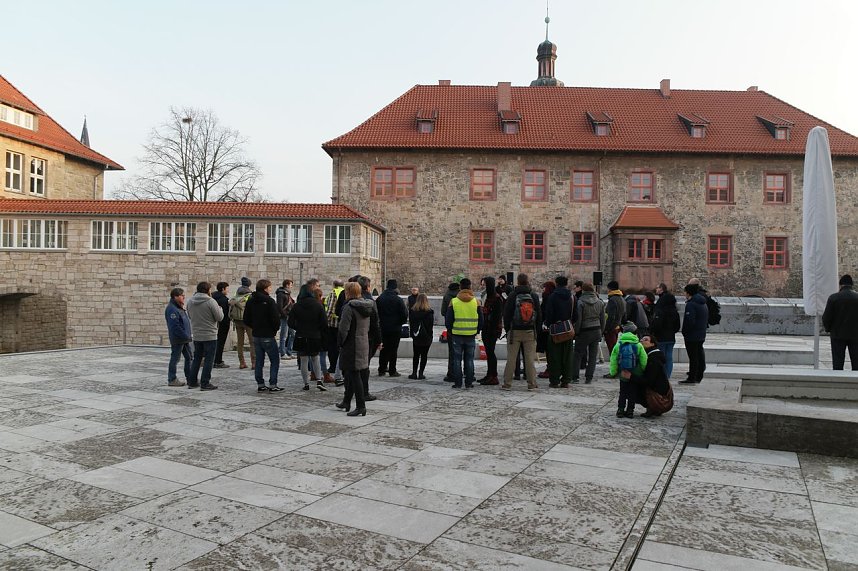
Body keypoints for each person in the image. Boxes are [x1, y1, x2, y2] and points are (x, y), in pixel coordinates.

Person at [336, 282, 381, 416]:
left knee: (354, 374)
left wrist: (340, 342)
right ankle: (346, 401)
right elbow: (375, 324)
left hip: (352, 344)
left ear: (348, 292)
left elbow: (344, 329)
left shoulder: (349, 307)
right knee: (352, 373)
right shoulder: (367, 305)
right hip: (363, 342)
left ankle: (361, 406)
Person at [501, 273, 540, 391]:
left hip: (515, 332)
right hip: (529, 331)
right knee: (529, 359)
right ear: (527, 281)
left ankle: (507, 384)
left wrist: (508, 329)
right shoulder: (533, 295)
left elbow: (506, 314)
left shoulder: (513, 295)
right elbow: (539, 314)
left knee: (511, 358)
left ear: (518, 282)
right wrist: (536, 330)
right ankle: (531, 384)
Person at [243, 279, 282, 392]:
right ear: (265, 288)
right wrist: (274, 330)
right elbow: (276, 319)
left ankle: (260, 383)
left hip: (256, 334)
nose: (271, 289)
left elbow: (246, 319)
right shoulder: (269, 301)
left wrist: (255, 326)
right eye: (270, 287)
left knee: (259, 360)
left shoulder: (250, 300)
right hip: (268, 335)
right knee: (274, 360)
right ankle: (273, 384)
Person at [288, 283, 328, 392]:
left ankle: (306, 383)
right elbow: (324, 322)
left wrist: (299, 327)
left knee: (304, 360)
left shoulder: (297, 306)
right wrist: (317, 329)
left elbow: (290, 322)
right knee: (316, 358)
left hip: (301, 335)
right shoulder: (318, 305)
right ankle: (319, 380)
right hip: (314, 335)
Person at [445, 278, 483, 389]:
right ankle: (469, 382)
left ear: (460, 288)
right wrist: (477, 330)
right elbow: (481, 319)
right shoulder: (476, 301)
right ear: (470, 287)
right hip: (470, 334)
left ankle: (457, 383)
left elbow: (448, 320)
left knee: (457, 359)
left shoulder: (454, 301)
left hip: (457, 334)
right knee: (469, 359)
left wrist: (451, 330)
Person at [625, 333, 674, 418]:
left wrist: (631, 376)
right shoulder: (653, 355)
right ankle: (654, 408)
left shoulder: (653, 359)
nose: (641, 341)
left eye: (646, 340)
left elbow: (648, 381)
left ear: (652, 344)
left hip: (661, 399)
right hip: (662, 394)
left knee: (631, 385)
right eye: (641, 339)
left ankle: (652, 407)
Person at [186, 281, 223, 390]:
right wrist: (220, 309)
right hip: (209, 335)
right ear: (208, 290)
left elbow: (189, 315)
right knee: (209, 359)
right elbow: (219, 317)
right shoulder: (211, 301)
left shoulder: (190, 302)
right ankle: (205, 382)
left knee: (197, 358)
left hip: (197, 334)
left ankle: (192, 381)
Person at [609, 322, 647, 418]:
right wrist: (643, 370)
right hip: (635, 373)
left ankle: (620, 410)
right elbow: (643, 359)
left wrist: (613, 372)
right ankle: (630, 411)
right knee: (632, 392)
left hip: (623, 372)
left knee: (622, 392)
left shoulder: (619, 345)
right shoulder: (638, 345)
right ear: (634, 332)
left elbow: (613, 359)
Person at [544, 276, 576, 388]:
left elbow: (549, 313)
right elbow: (575, 315)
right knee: (567, 356)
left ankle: (554, 380)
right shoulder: (572, 297)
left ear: (557, 283)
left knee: (554, 356)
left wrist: (548, 324)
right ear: (566, 284)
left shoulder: (553, 296)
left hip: (555, 330)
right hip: (567, 329)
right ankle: (566, 380)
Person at [571, 282, 605, 384]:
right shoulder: (600, 302)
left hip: (584, 331)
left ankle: (575, 377)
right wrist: (601, 331)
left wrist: (576, 332)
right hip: (597, 329)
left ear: (583, 290)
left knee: (577, 354)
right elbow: (603, 319)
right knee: (593, 356)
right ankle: (589, 377)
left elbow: (579, 319)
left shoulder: (580, 302)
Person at [822, 274, 858, 370]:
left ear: (841, 285)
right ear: (852, 285)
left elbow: (826, 317)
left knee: (838, 362)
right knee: (856, 362)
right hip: (856, 335)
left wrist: (829, 329)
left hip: (837, 334)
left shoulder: (833, 298)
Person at [376, 279, 408, 377]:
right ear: (395, 288)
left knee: (383, 348)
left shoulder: (380, 298)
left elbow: (376, 313)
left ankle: (382, 369)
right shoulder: (398, 299)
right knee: (393, 350)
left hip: (383, 327)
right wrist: (400, 323)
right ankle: (392, 370)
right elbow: (404, 314)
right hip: (395, 328)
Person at [650, 283, 680, 378]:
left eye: (658, 287)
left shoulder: (660, 310)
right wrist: (671, 331)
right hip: (671, 337)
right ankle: (667, 376)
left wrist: (652, 331)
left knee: (661, 357)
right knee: (669, 357)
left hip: (661, 337)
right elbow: (677, 325)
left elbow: (657, 324)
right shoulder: (674, 310)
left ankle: (662, 376)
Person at [477, 277, 504, 386]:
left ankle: (493, 376)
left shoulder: (496, 298)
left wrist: (492, 330)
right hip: (486, 328)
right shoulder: (488, 297)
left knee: (491, 353)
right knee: (489, 352)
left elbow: (496, 317)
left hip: (491, 330)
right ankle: (489, 374)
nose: (483, 287)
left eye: (485, 285)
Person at [681, 283, 709, 384]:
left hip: (692, 335)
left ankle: (692, 377)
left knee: (693, 357)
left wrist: (685, 332)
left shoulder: (691, 304)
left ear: (688, 293)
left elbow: (689, 321)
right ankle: (699, 375)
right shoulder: (703, 303)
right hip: (701, 333)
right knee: (699, 355)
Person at [164, 287, 192, 387]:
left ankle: (190, 378)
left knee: (189, 357)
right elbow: (175, 327)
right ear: (175, 296)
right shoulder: (172, 309)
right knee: (175, 358)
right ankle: (172, 379)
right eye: (181, 295)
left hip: (184, 338)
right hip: (179, 339)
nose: (184, 297)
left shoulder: (178, 307)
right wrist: (185, 336)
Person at [229, 277, 255, 370]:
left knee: (240, 343)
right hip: (248, 321)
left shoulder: (236, 294)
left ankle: (242, 363)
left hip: (237, 320)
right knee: (252, 342)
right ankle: (254, 363)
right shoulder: (250, 294)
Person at [603, 280, 626, 378]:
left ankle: (614, 371)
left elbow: (610, 316)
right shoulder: (621, 298)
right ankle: (617, 370)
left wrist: (606, 328)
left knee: (613, 351)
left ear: (610, 288)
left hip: (611, 329)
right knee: (615, 350)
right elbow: (624, 314)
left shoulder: (613, 300)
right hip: (617, 327)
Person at [408, 293, 435, 379]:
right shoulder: (429, 312)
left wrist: (412, 334)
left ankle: (414, 372)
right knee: (424, 355)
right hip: (426, 336)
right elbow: (430, 326)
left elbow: (411, 324)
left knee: (416, 355)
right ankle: (421, 373)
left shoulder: (413, 311)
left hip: (417, 336)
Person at [324, 279, 345, 383]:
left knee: (332, 347)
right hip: (341, 324)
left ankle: (333, 367)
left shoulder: (334, 293)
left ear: (334, 285)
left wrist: (325, 321)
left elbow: (330, 309)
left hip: (332, 324)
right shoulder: (345, 292)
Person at [536, 280, 556, 379]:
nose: (543, 290)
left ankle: (550, 369)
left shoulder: (548, 297)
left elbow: (545, 312)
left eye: (544, 287)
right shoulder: (555, 297)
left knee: (549, 350)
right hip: (555, 328)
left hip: (547, 328)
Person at [441, 282, 460, 382]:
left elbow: (443, 311)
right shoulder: (461, 297)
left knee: (452, 352)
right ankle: (463, 372)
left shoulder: (447, 296)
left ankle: (451, 373)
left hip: (451, 328)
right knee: (463, 352)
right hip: (463, 328)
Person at [275, 279, 296, 359]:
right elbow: (279, 307)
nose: (291, 286)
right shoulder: (281, 294)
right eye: (290, 284)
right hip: (284, 317)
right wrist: (284, 315)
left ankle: (289, 351)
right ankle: (283, 353)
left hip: (290, 317)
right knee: (283, 335)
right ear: (287, 285)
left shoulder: (288, 293)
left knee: (293, 334)